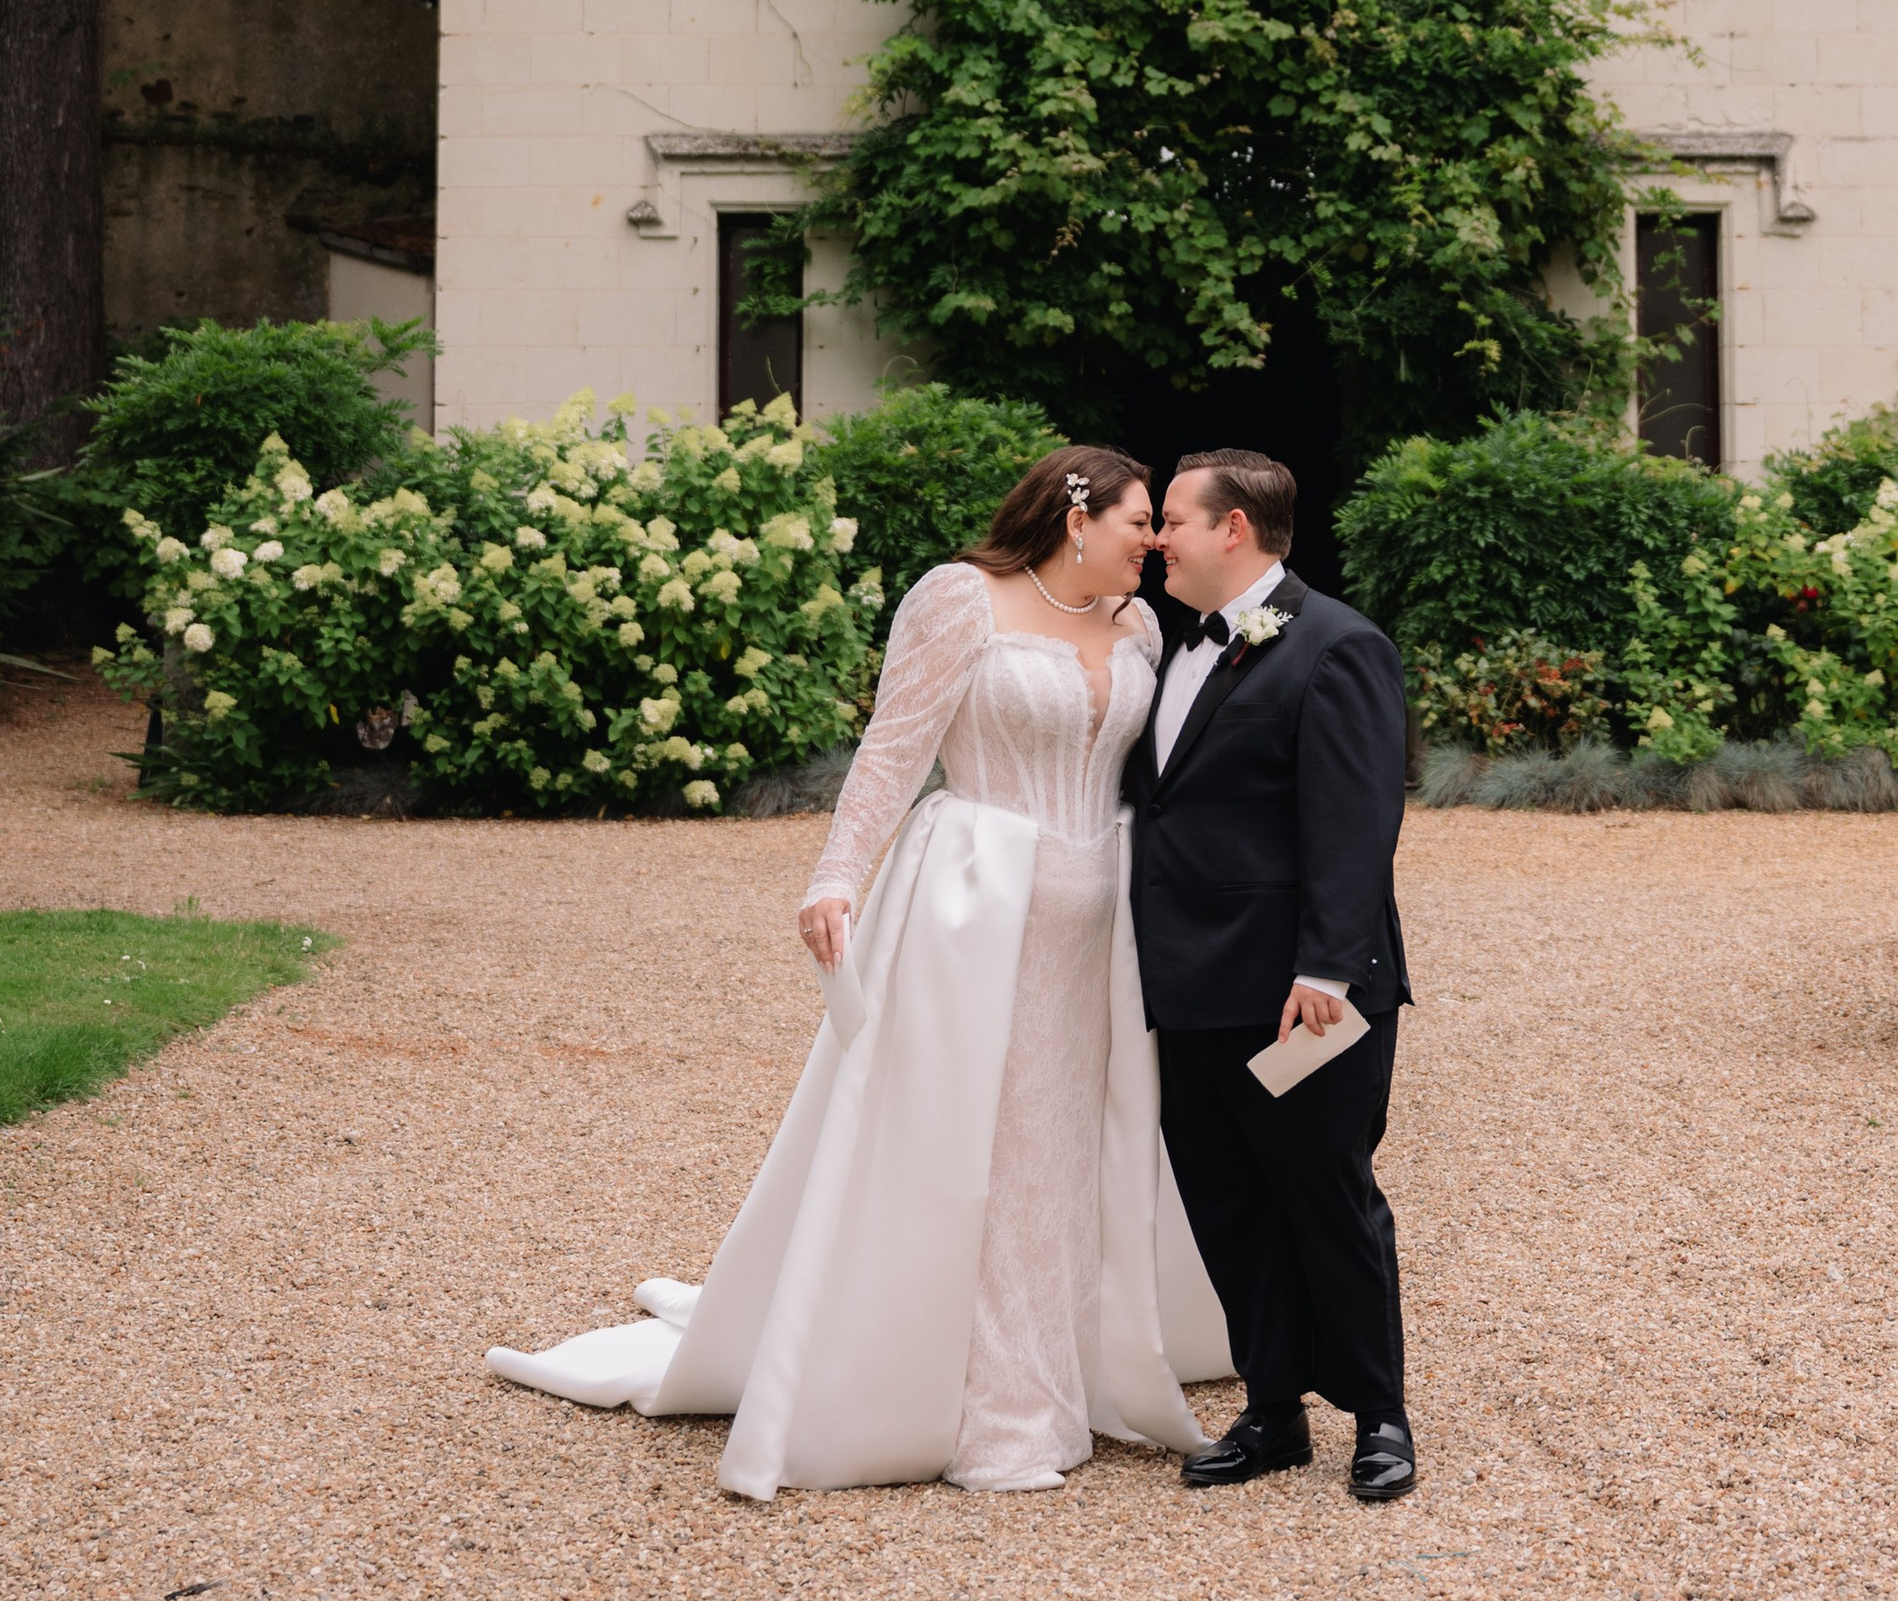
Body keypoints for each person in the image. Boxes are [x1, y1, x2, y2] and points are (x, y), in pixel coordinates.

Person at [485, 446, 1230, 1494]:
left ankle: (1073, 1361)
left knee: (1075, 1144)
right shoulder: (960, 599)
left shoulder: (1141, 625)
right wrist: (835, 874)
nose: (1152, 539)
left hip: (1102, 928)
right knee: (985, 1145)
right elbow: (893, 747)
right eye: (1138, 519)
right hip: (975, 905)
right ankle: (993, 1406)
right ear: (1075, 518)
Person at [1129, 446, 1417, 1502]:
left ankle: (1379, 1415)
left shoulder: (1337, 646)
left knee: (1328, 1197)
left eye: (1172, 518)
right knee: (1227, 1202)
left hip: (1304, 996)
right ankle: (1274, 1409)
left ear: (1234, 530)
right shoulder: (1162, 644)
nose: (1157, 536)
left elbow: (1356, 821)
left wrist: (1329, 969)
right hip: (1190, 986)